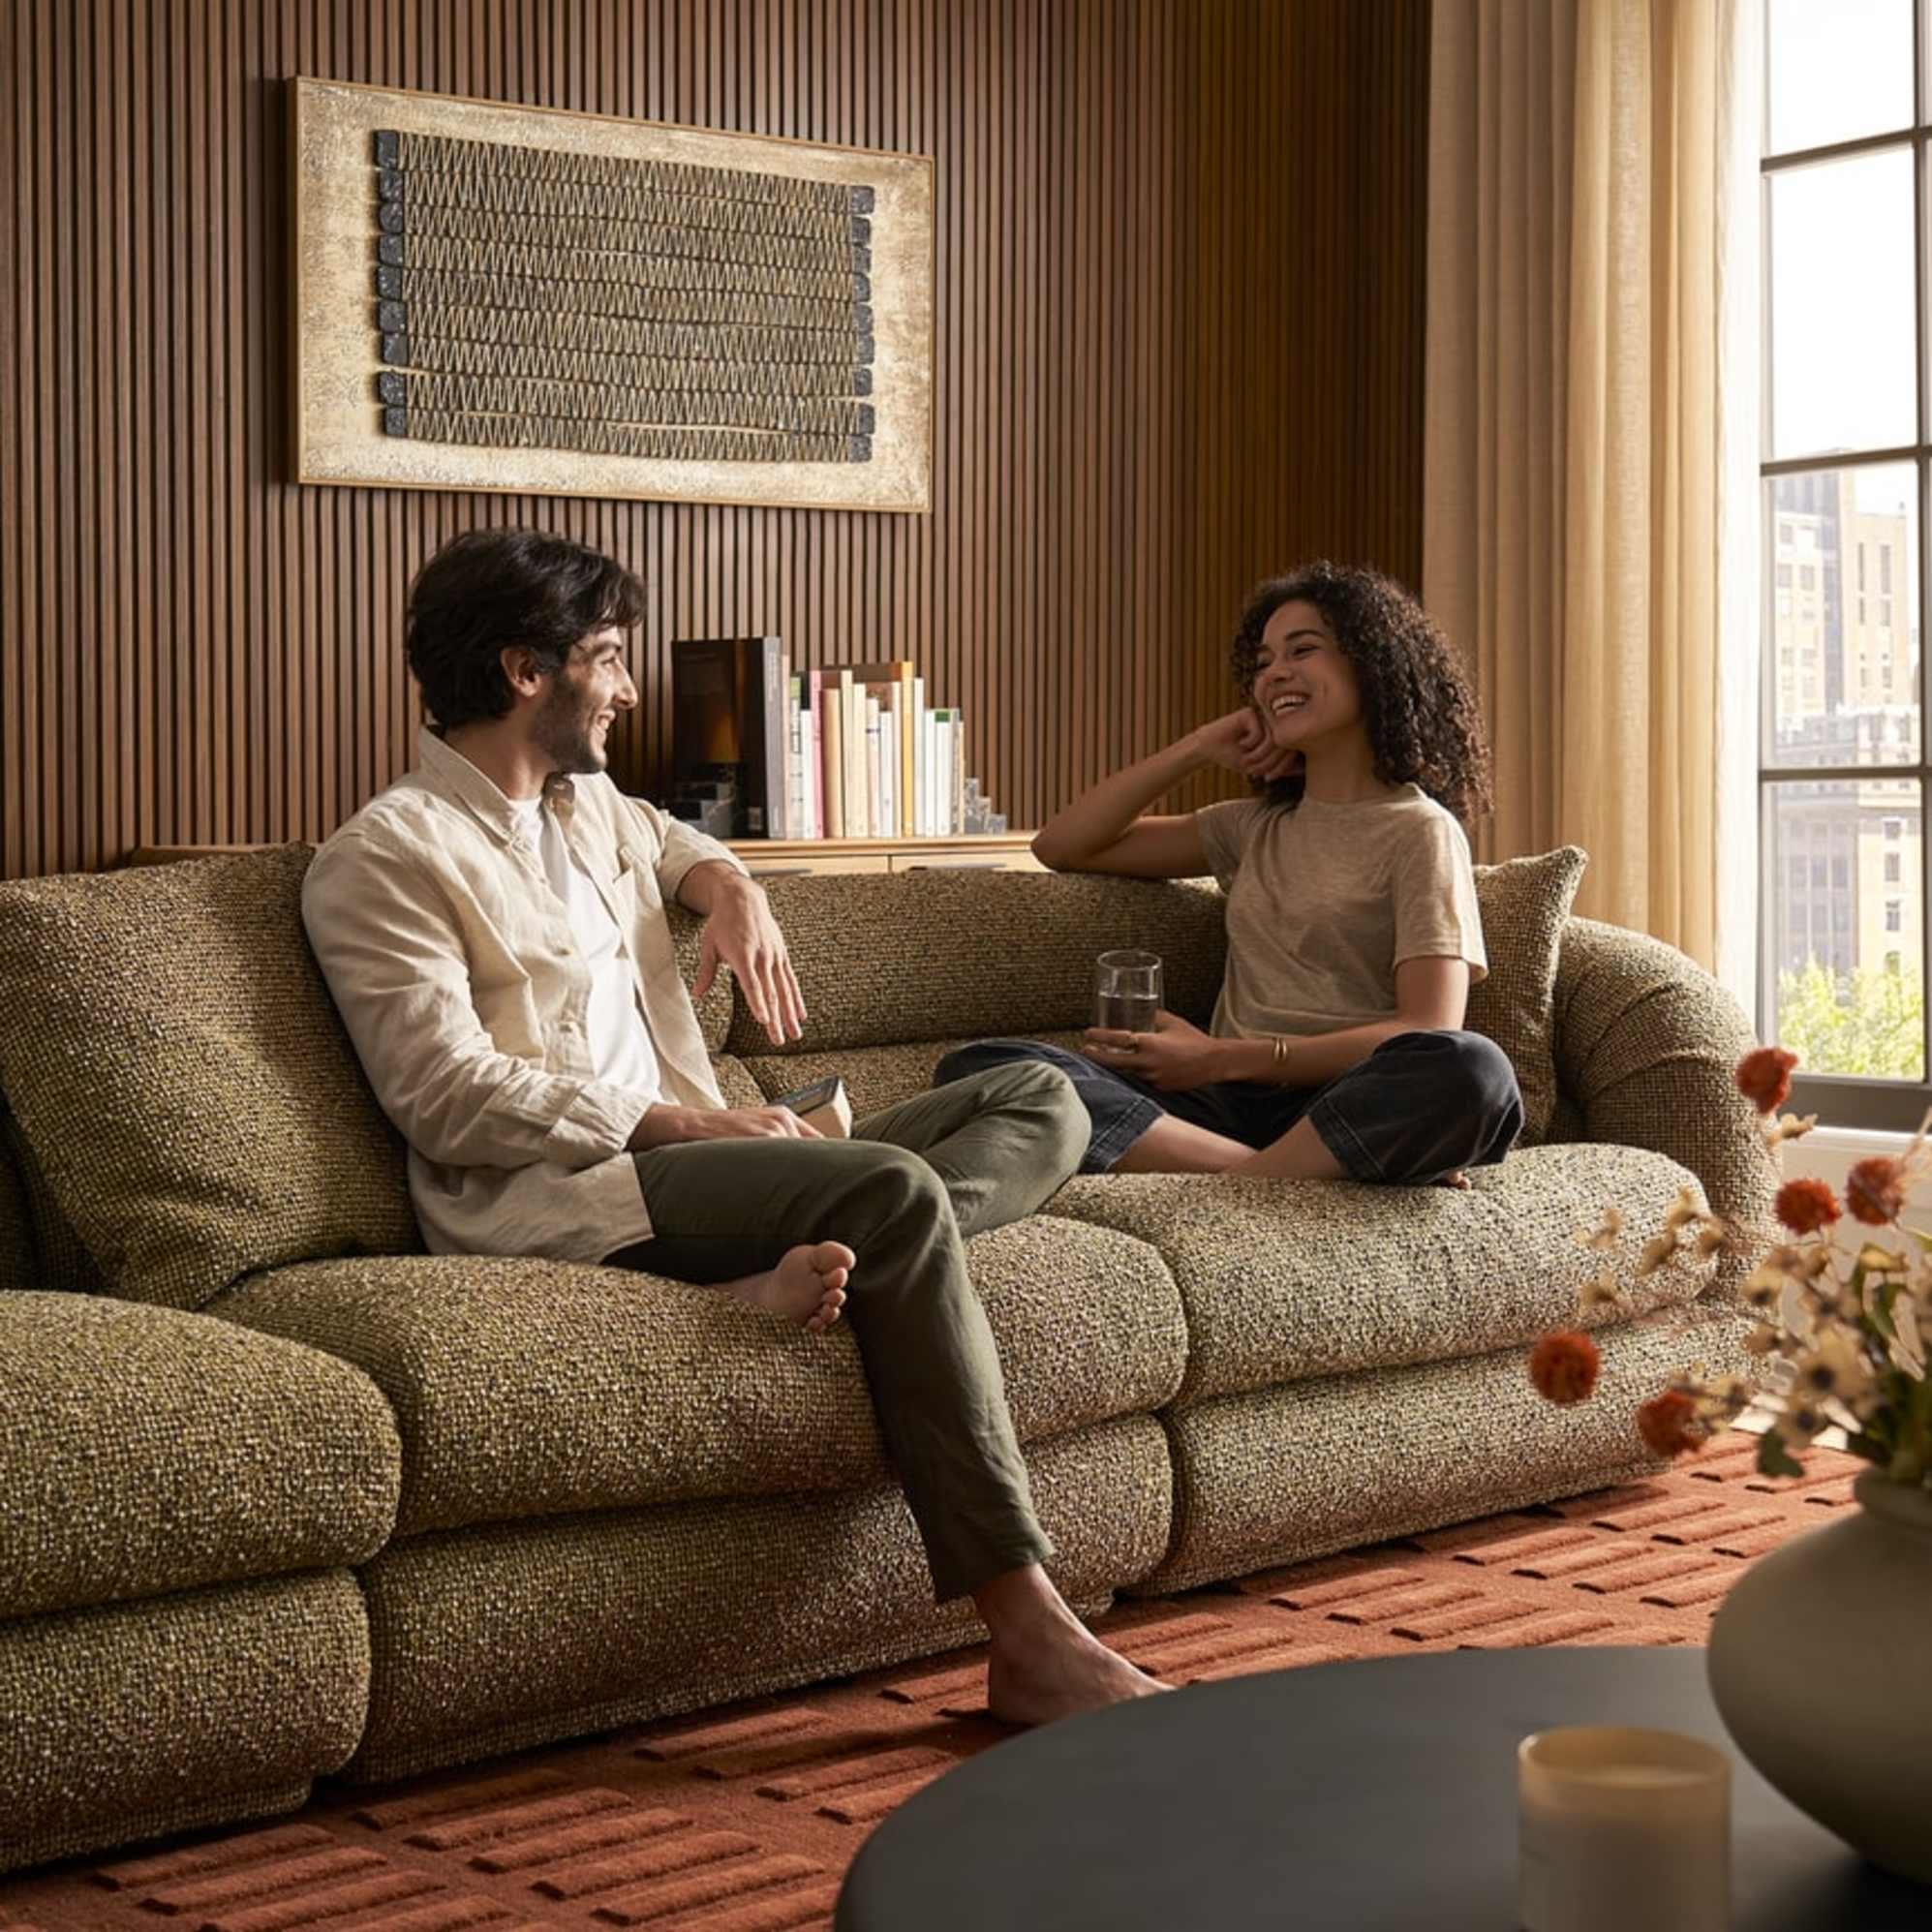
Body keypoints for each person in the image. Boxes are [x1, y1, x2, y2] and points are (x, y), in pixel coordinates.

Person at [300, 526, 1164, 1725]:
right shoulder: (386, 858)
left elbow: (678, 840)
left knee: (1040, 1094)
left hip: (703, 1155)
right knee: (896, 1196)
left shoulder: (590, 807)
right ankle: (1028, 1632)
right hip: (581, 1190)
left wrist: (736, 887)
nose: (630, 687)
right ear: (523, 671)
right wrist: (678, 1125)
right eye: (608, 657)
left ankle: (836, 1267)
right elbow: (441, 1092)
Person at [935, 561, 1523, 1184]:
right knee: (985, 1067)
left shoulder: (1420, 831)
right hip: (1219, 1113)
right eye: (1263, 662)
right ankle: (1271, 1175)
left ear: (1373, 665)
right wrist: (1196, 748)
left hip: (1337, 1097)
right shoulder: (1251, 827)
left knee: (1471, 1069)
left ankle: (1265, 1172)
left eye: (1304, 650)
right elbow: (1062, 845)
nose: (1275, 675)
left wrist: (1218, 1058)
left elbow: (1427, 1026)